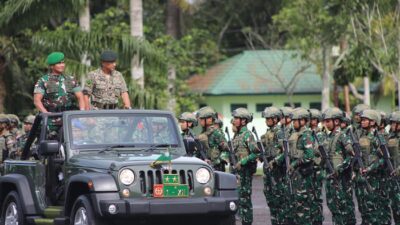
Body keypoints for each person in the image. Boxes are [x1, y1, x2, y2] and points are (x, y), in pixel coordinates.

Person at [322, 107, 356, 225]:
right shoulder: (327, 137)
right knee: (333, 207)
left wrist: (340, 168)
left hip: (341, 180)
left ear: (336, 121)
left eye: (328, 121)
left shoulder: (342, 136)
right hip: (330, 179)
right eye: (325, 121)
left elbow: (351, 156)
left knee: (343, 208)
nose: (326, 123)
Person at [231, 108, 260, 225]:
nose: (233, 121)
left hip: (245, 173)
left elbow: (256, 152)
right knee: (238, 200)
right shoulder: (237, 136)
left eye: (236, 118)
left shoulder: (247, 135)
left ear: (243, 121)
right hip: (237, 174)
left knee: (245, 201)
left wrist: (242, 162)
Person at [259, 106, 283, 225]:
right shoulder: (268, 133)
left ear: (275, 119)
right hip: (268, 170)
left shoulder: (279, 132)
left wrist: (274, 161)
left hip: (277, 171)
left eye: (268, 118)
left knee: (279, 200)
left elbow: (284, 152)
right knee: (271, 200)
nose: (266, 120)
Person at [196, 106, 229, 171]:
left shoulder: (216, 132)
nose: (200, 121)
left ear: (209, 119)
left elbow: (226, 149)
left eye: (202, 119)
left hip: (216, 167)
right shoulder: (204, 133)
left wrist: (218, 160)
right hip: (205, 165)